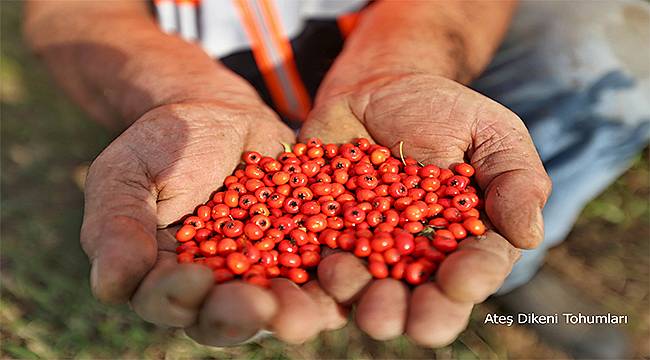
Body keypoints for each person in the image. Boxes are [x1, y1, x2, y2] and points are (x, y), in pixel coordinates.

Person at [24, 0, 649, 357]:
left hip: (419, 48)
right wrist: (178, 92)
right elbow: (68, 12)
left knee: (610, 73)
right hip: (208, 75)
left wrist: (400, 65)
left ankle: (521, 280)